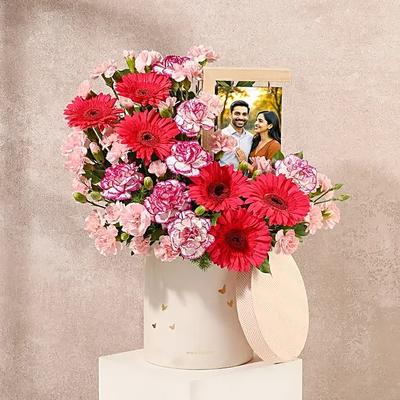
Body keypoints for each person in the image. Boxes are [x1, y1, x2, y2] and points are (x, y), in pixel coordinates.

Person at [220, 100, 253, 169]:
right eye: (237, 114)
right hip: (225, 175)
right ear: (230, 115)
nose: (241, 117)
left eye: (244, 114)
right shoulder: (221, 135)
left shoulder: (251, 138)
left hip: (244, 176)